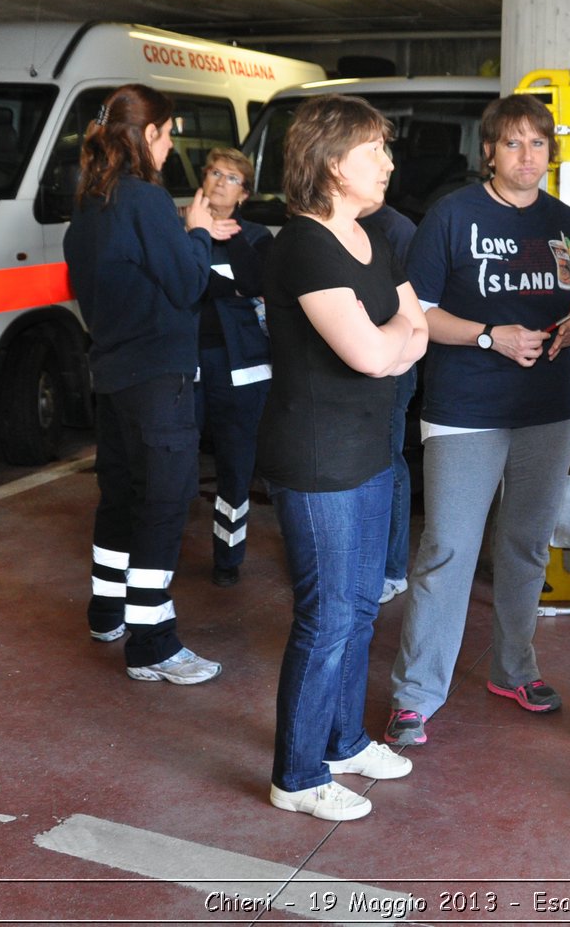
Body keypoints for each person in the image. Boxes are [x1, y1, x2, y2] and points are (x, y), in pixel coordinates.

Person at [384, 93, 570, 748]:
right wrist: (490, 336)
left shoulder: (563, 222)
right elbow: (418, 314)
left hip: (547, 406)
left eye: (538, 143)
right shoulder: (452, 215)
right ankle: (415, 694)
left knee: (528, 541)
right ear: (488, 151)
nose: (526, 155)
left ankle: (514, 667)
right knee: (448, 545)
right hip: (466, 407)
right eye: (513, 143)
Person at [258, 95, 428, 821]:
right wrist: (393, 343)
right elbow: (371, 349)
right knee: (326, 616)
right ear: (332, 163)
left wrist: (395, 342)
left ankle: (343, 739)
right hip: (318, 460)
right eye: (374, 151)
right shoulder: (302, 245)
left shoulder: (374, 235)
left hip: (370, 451)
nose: (389, 163)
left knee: (360, 610)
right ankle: (296, 774)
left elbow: (415, 328)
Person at [63, 83, 223, 685]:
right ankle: (153, 640)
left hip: (112, 375)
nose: (173, 140)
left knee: (122, 494)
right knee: (165, 500)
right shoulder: (146, 201)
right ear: (147, 136)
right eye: (169, 129)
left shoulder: (88, 204)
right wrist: (198, 232)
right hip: (160, 379)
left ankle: (107, 612)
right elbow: (186, 284)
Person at [190, 147, 272, 586]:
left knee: (235, 470)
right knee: (176, 466)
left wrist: (230, 239)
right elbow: (181, 287)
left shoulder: (257, 237)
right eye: (215, 173)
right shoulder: (180, 228)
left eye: (233, 178)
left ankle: (227, 558)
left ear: (244, 193)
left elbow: (257, 283)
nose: (221, 182)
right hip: (187, 365)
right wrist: (225, 285)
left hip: (243, 370)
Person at [360, 202, 420, 607]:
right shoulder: (338, 222)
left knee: (388, 463)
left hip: (393, 367)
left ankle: (392, 570)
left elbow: (412, 311)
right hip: (358, 365)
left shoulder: (395, 229)